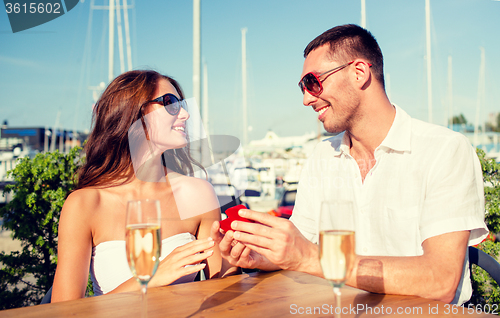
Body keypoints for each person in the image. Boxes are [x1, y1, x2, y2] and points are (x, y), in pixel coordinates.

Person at [211, 24, 488, 305]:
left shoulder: (444, 150)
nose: (307, 99)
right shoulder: (321, 158)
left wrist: (310, 257)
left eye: (312, 82)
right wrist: (260, 255)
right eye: (303, 88)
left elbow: (440, 280)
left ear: (359, 73)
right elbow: (299, 246)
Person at [52, 70, 236, 302]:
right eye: (170, 103)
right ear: (133, 113)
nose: (185, 114)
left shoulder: (198, 194)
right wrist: (152, 279)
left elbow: (220, 290)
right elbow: (63, 310)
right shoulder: (86, 204)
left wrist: (233, 259)